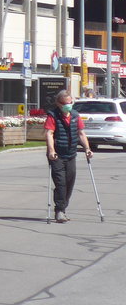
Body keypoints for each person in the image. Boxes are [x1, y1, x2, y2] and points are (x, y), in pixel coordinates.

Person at [44, 90, 93, 223]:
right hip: (57, 155)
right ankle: (59, 211)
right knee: (61, 183)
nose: (68, 105)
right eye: (66, 103)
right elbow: (49, 133)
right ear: (59, 104)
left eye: (70, 103)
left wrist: (87, 148)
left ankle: (63, 209)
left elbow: (81, 133)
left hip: (71, 154)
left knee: (70, 183)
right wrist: (51, 150)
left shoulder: (75, 115)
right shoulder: (53, 115)